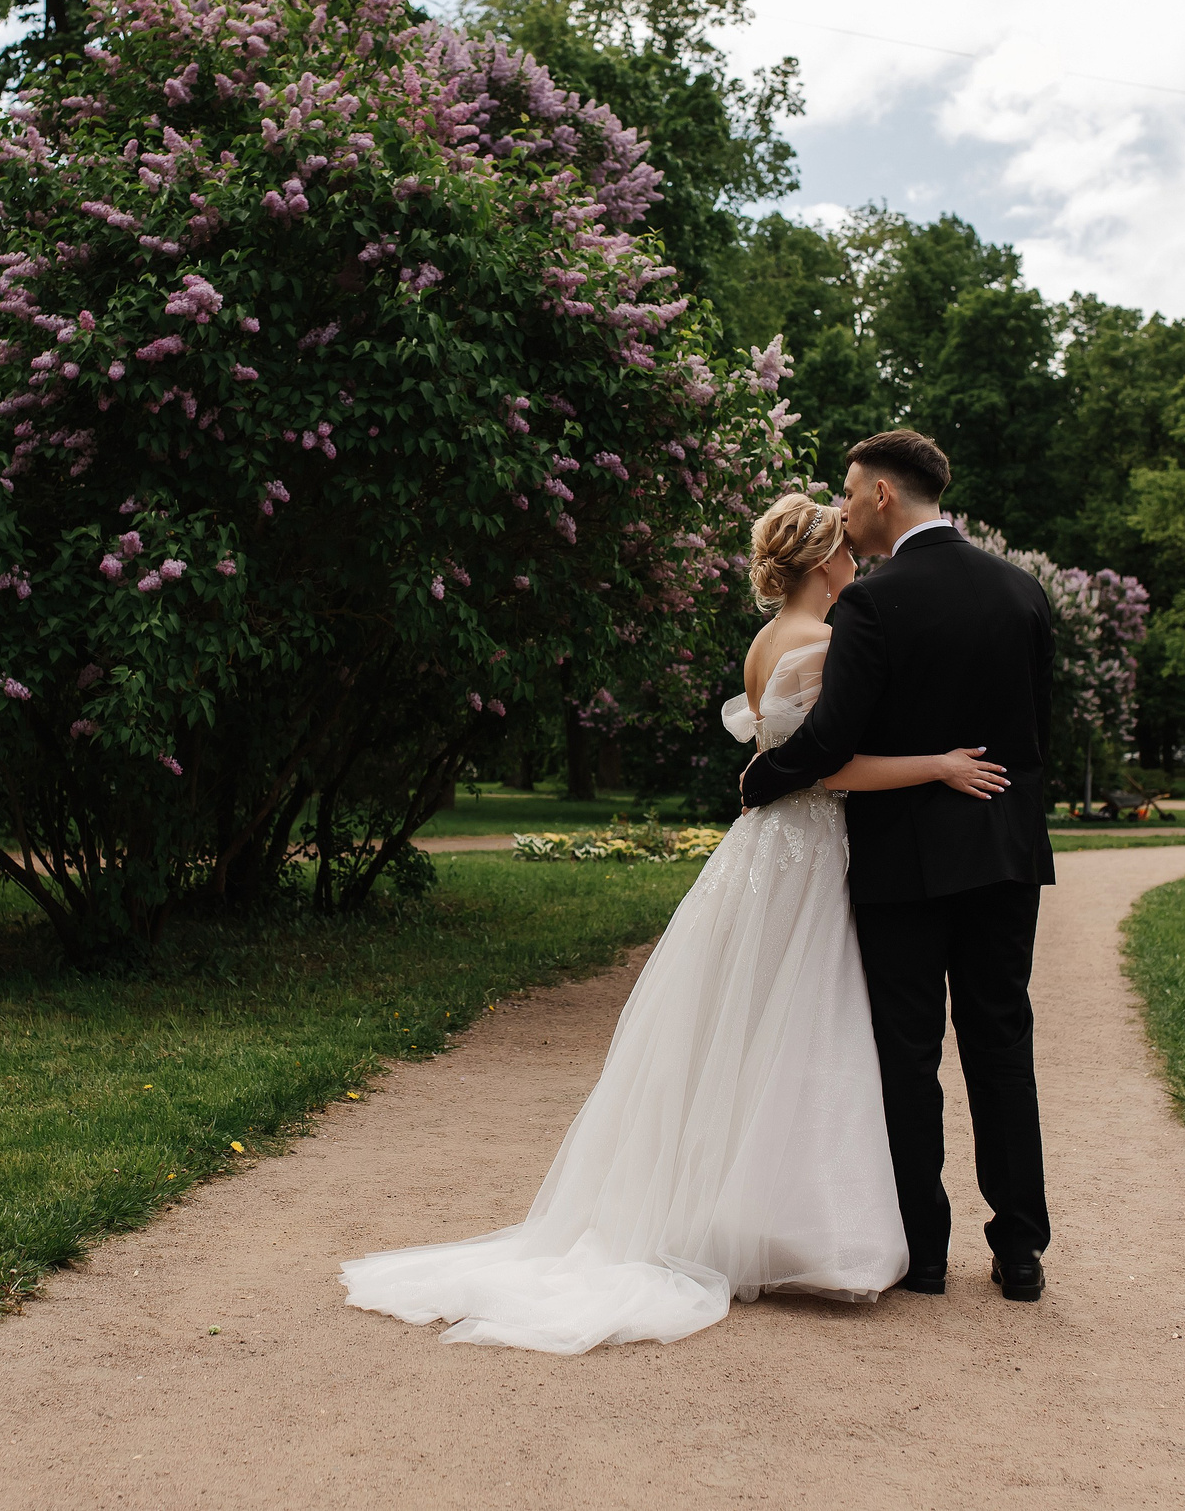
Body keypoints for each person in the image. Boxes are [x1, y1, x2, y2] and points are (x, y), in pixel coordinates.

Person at [338, 490, 1012, 1354]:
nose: (858, 561)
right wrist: (940, 764)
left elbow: (779, 754)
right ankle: (790, 1226)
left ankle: (729, 1212)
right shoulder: (825, 641)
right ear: (820, 563)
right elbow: (830, 768)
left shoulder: (766, 641)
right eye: (846, 550)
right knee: (799, 1026)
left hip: (760, 847)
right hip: (804, 848)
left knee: (745, 1028)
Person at [738, 429, 1056, 1304]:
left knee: (907, 1057)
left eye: (848, 492)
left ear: (883, 494)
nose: (844, 508)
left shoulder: (873, 607)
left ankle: (923, 1253)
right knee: (1001, 1044)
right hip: (1003, 855)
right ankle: (1021, 1248)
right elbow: (1036, 738)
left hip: (902, 865)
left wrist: (759, 776)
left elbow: (831, 741)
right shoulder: (1022, 591)